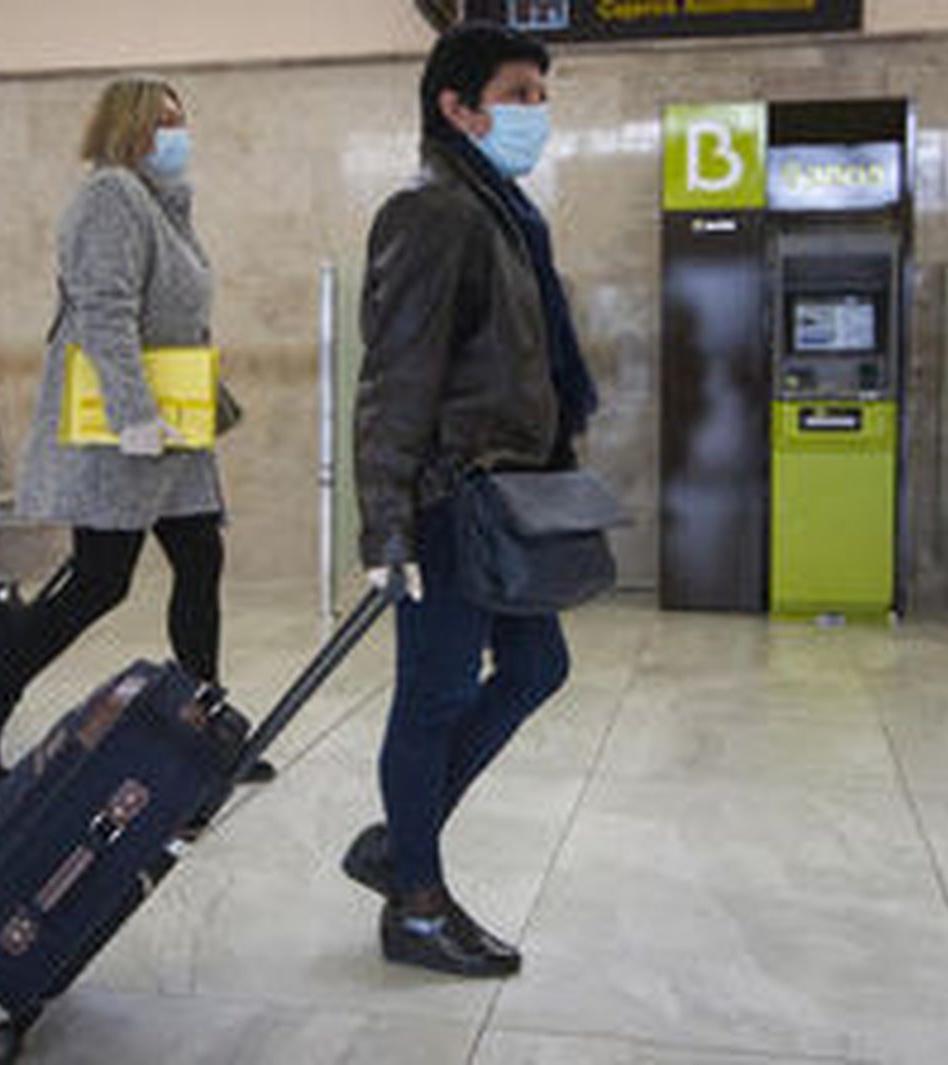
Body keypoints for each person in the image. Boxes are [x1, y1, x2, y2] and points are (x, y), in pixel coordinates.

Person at [340, 23, 599, 977]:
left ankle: (400, 844)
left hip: (508, 494)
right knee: (435, 694)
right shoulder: (432, 213)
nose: (538, 112)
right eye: (520, 94)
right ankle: (416, 905)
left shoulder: (500, 212)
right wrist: (387, 526)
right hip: (450, 498)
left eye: (542, 95)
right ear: (457, 107)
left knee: (536, 665)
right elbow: (394, 381)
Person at [0, 75, 272, 789]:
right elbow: (104, 311)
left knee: (200, 559)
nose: (177, 135)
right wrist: (133, 416)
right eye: (162, 121)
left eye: (180, 120)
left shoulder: (163, 203)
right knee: (100, 580)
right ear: (125, 127)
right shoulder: (110, 196)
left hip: (172, 427)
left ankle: (203, 726)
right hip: (125, 427)